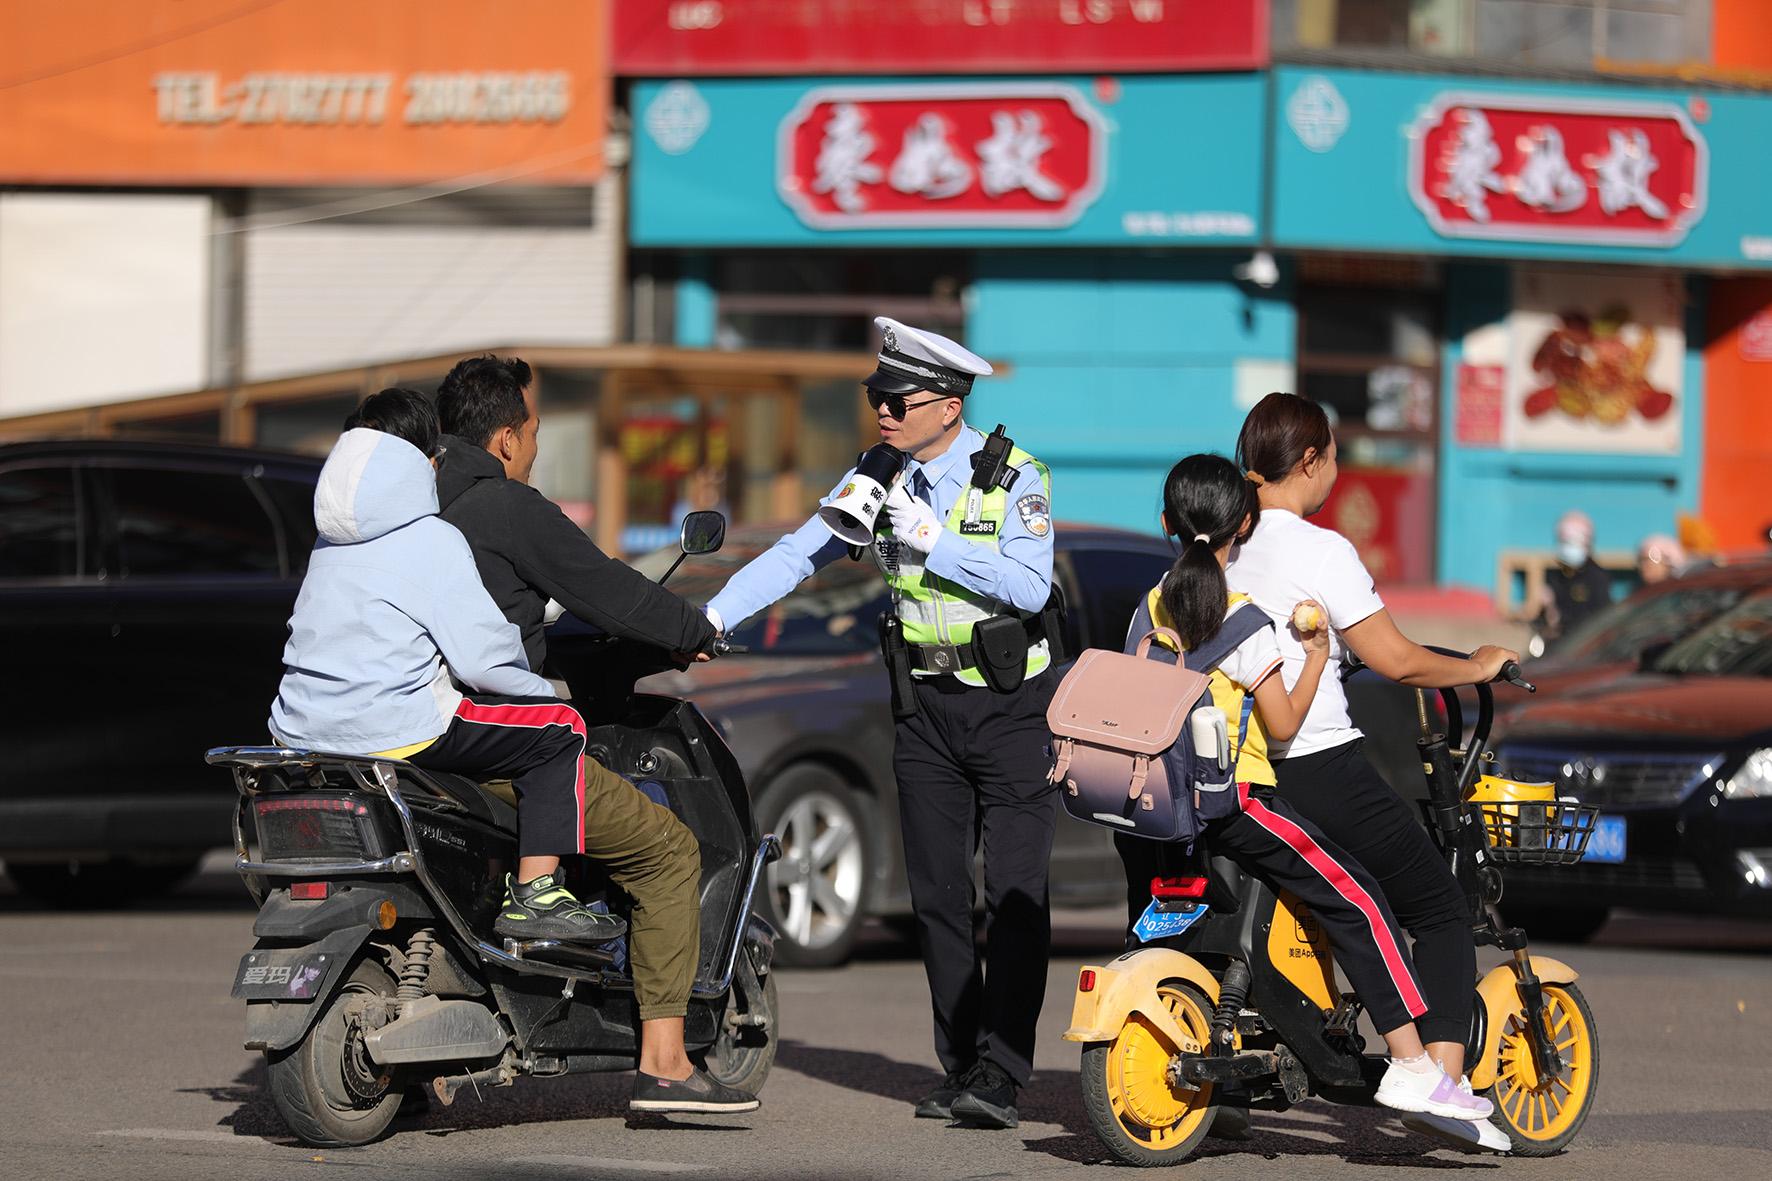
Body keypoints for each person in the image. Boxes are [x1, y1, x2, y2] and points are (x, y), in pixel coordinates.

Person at [705, 317, 1059, 1130]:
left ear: (949, 405)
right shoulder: (877, 476)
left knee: (1015, 893)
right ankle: (961, 1062)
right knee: (936, 894)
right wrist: (712, 616)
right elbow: (797, 554)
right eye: (876, 398)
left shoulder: (1015, 475)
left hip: (1012, 707)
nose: (884, 413)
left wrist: (932, 539)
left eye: (899, 400)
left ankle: (1003, 1071)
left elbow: (1030, 587)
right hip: (925, 708)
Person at [1118, 454, 1498, 1135]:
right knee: (1358, 898)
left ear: (1167, 524)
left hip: (1157, 802)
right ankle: (1412, 1062)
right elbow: (1285, 723)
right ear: (1243, 525)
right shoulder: (1240, 620)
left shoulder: (1148, 607)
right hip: (1235, 800)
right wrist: (1318, 656)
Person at [433, 354, 756, 1115]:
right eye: (534, 432)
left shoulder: (415, 507)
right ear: (506, 438)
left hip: (404, 731)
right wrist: (692, 629)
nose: (534, 447)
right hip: (490, 739)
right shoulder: (506, 506)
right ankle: (666, 1062)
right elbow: (605, 587)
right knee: (668, 851)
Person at [1227, 392, 1516, 1150]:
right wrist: (1476, 664)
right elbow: (1397, 659)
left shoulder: (1226, 542)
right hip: (1319, 765)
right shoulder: (1323, 551)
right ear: (1311, 461)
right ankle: (1438, 1079)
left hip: (1236, 768)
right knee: (1438, 905)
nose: (1335, 471)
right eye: (1332, 457)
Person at [268, 389, 621, 950]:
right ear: (424, 461)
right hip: (396, 732)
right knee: (561, 728)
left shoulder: (329, 542)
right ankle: (536, 895)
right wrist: (542, 692)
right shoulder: (432, 538)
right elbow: (485, 662)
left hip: (298, 732)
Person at [1537, 509, 1612, 647]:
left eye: (1570, 542)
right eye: (1562, 541)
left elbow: (1599, 618)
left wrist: (1560, 618)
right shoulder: (1555, 575)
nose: (1566, 547)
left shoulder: (1597, 577)